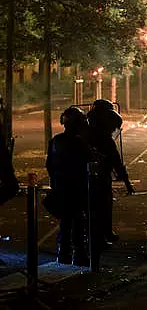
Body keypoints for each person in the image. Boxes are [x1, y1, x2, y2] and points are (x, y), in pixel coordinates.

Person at [45, 107, 91, 266]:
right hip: (76, 187)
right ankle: (79, 254)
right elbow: (90, 161)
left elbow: (49, 165)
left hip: (60, 186)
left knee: (65, 221)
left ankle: (63, 253)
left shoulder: (56, 141)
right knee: (78, 222)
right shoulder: (79, 142)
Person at [87, 100, 134, 247]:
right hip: (100, 179)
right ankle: (102, 235)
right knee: (103, 207)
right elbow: (117, 163)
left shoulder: (84, 134)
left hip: (82, 180)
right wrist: (127, 183)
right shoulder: (105, 140)